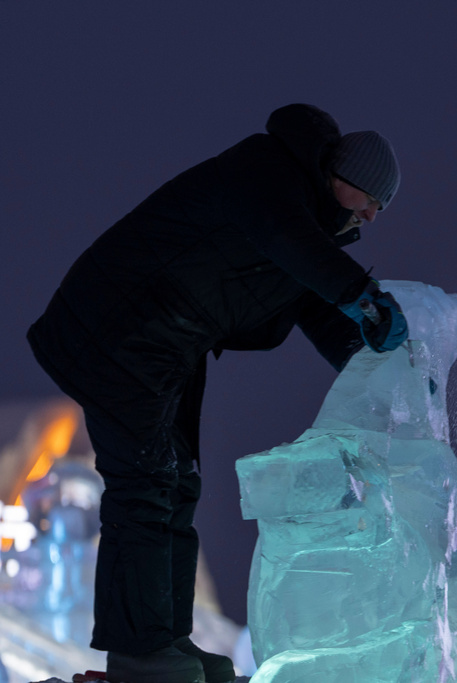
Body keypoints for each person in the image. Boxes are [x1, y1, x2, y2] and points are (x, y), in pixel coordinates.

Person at [27, 103, 409, 683]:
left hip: (168, 346)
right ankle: (140, 655)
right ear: (343, 179)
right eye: (372, 200)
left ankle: (166, 639)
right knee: (146, 484)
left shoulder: (309, 232)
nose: (374, 217)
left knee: (178, 484)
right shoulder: (266, 174)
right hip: (119, 327)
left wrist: (387, 369)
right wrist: (362, 293)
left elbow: (317, 302)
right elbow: (292, 241)